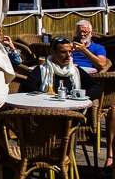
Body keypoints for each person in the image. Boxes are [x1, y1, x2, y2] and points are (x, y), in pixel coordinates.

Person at [22, 36, 114, 169]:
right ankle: (47, 160)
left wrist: (85, 96)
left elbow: (96, 87)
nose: (68, 55)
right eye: (63, 52)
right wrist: (45, 96)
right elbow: (27, 86)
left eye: (70, 52)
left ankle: (66, 163)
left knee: (69, 125)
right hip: (46, 117)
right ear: (53, 53)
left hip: (72, 117)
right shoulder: (42, 70)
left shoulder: (75, 70)